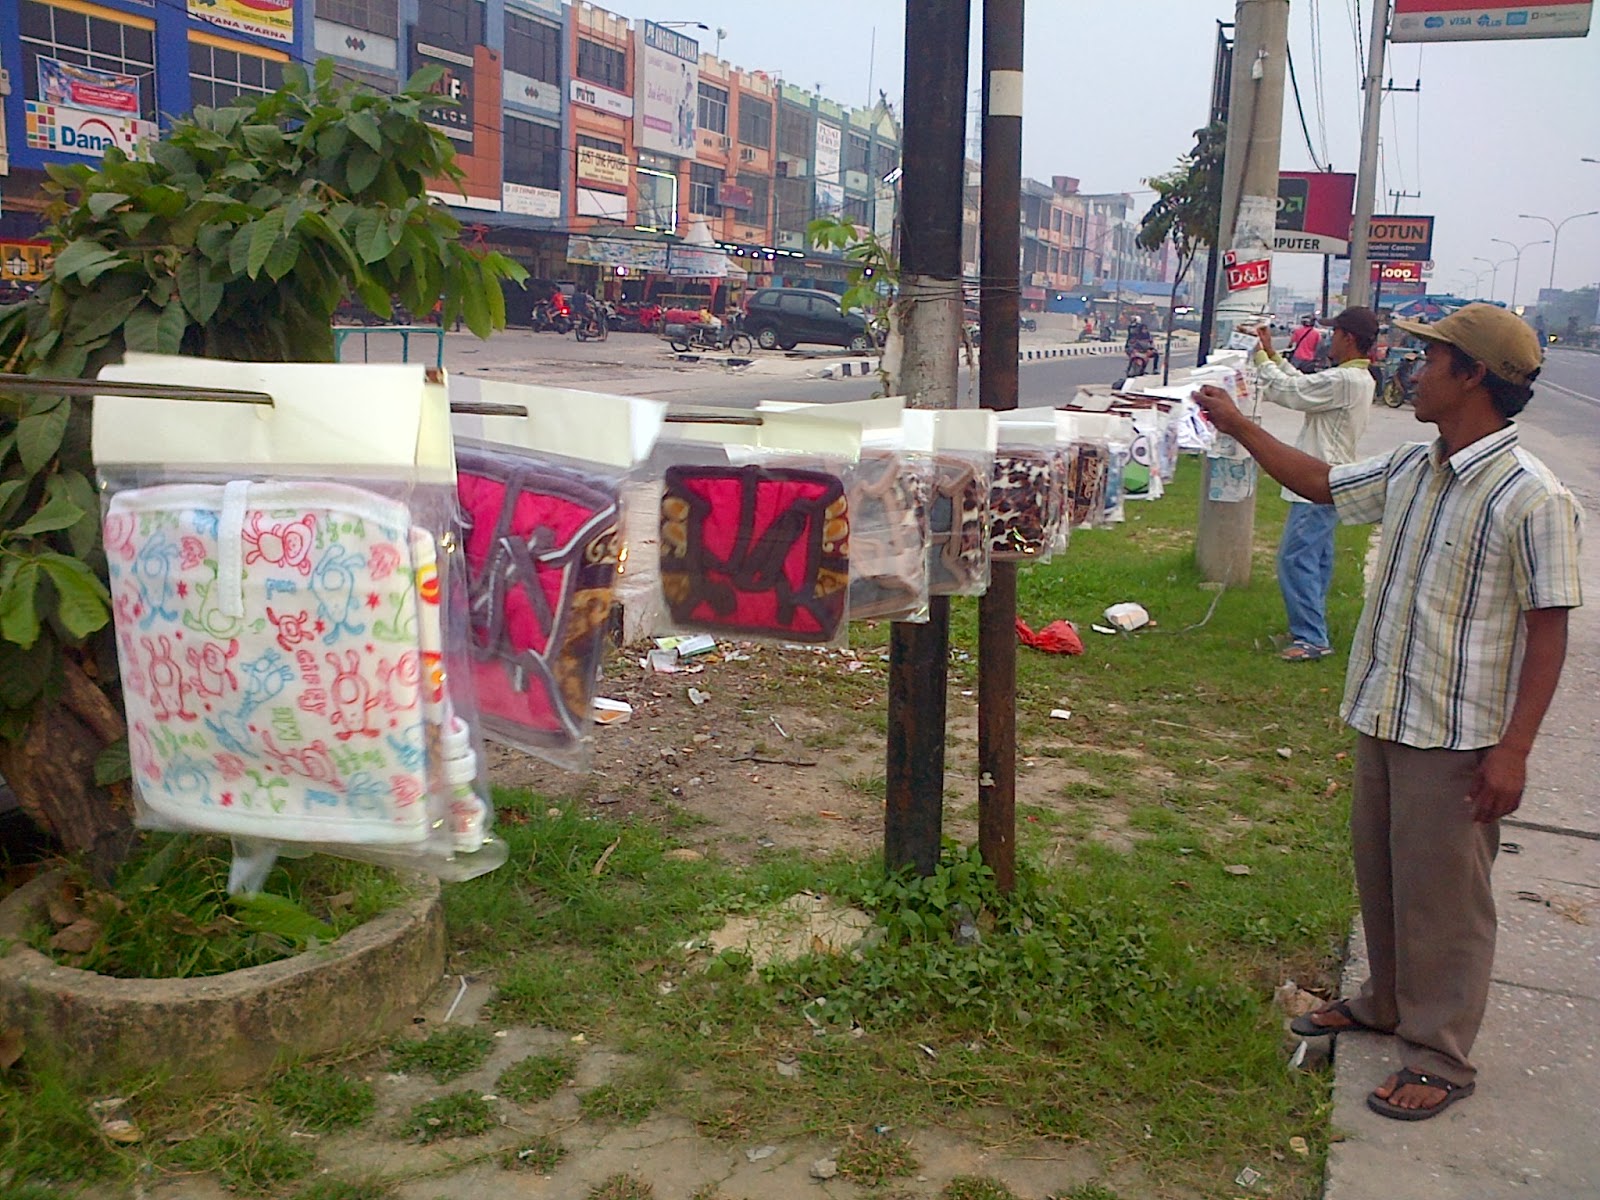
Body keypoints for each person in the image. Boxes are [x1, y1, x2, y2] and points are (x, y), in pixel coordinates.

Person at [1192, 303, 1583, 1121]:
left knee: (1447, 902)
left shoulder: (1532, 498)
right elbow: (1318, 483)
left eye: (1432, 360)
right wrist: (1233, 421)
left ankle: (1439, 1055)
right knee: (1385, 878)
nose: (1413, 370)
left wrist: (1514, 751)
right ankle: (1388, 1001)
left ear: (1473, 375)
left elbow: (1549, 635)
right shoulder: (1415, 465)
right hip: (1386, 712)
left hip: (1459, 736)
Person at [1253, 306, 1378, 662]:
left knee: (1296, 559)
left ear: (1348, 338)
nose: (1328, 340)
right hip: (1330, 478)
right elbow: (1302, 386)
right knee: (1315, 559)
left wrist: (1261, 360)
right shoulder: (1352, 379)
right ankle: (1310, 628)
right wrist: (1275, 356)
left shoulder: (1344, 381)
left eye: (1334, 333)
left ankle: (1311, 636)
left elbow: (1288, 393)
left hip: (1316, 481)